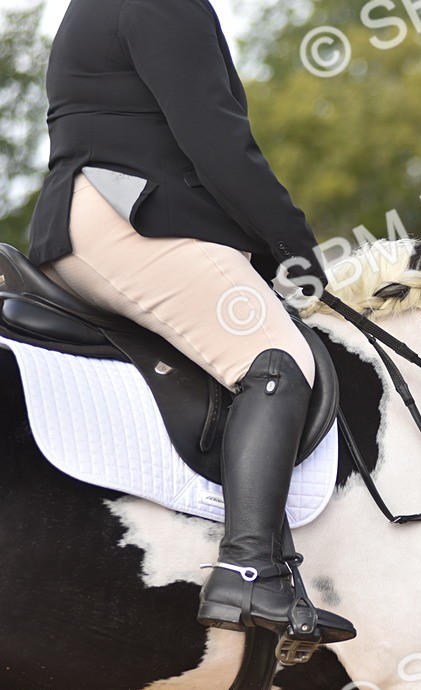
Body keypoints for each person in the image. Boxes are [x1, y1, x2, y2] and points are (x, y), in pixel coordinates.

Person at [26, 0, 355, 644]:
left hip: (93, 216)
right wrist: (295, 248)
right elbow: (217, 142)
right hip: (128, 216)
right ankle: (248, 566)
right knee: (277, 365)